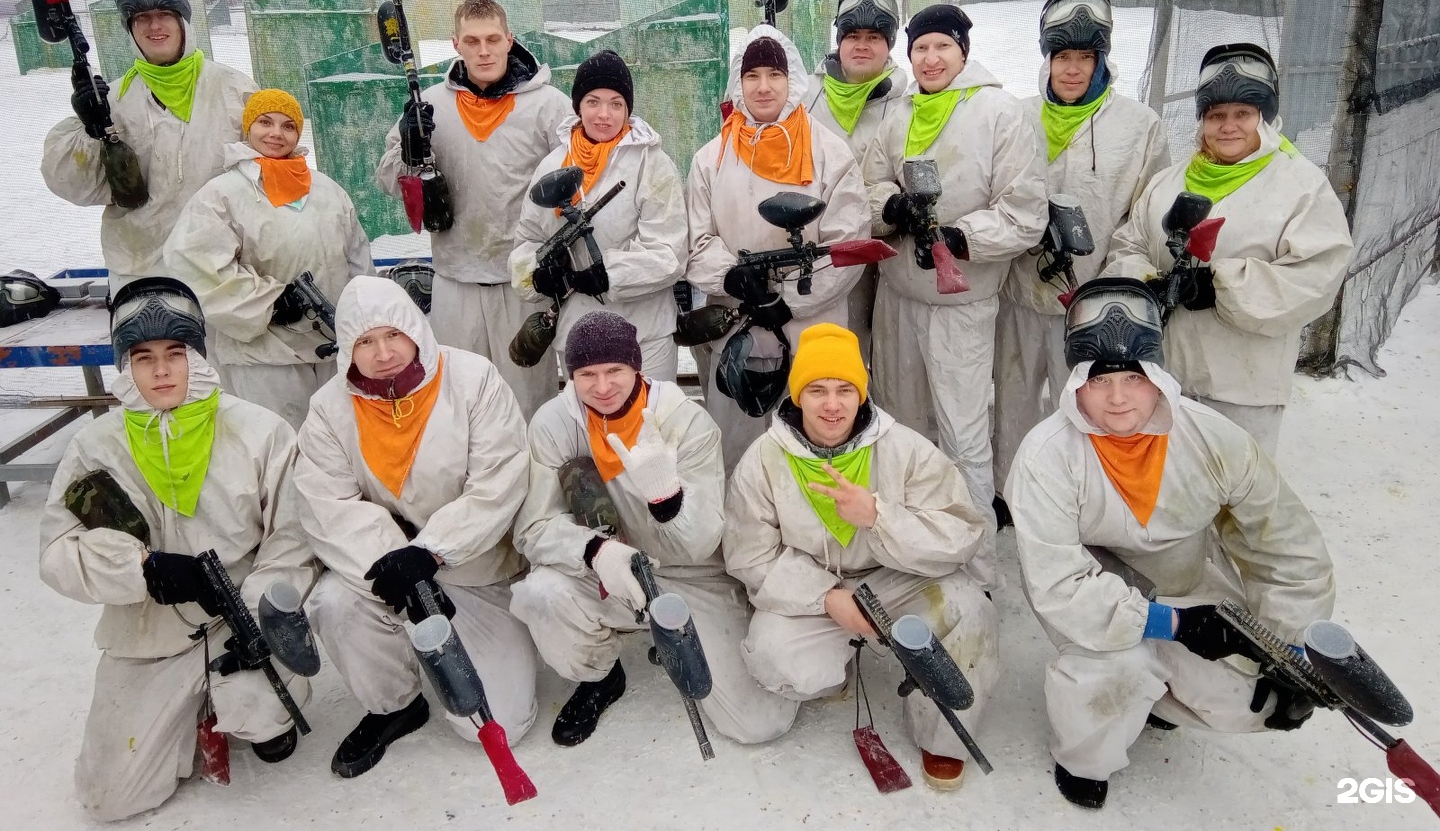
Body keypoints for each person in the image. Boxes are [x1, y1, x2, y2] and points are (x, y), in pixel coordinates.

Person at [1006, 277, 1335, 809]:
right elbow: (1060, 584)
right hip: (1091, 592)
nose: (1116, 398)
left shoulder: (1213, 437)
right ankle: (1085, 756)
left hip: (1184, 581)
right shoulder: (1045, 457)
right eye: (1099, 379)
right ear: (1076, 383)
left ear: (1157, 377)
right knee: (1116, 668)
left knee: (1252, 700)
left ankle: (1159, 695)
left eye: (1133, 378)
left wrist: (1291, 648)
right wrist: (1174, 627)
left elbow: (1285, 545)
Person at [38, 277, 316, 822]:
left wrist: (257, 609)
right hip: (149, 631)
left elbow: (294, 538)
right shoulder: (94, 447)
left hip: (241, 617)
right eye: (142, 357)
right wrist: (140, 569)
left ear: (199, 356)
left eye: (175, 353)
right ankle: (187, 707)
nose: (161, 370)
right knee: (108, 799)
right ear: (125, 367)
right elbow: (56, 553)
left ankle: (249, 706)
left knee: (265, 710)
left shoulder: (259, 431)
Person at [724, 323, 999, 791]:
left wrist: (879, 516)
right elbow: (749, 556)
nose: (832, 405)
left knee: (969, 610)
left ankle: (941, 737)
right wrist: (828, 598)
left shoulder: (905, 448)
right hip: (815, 591)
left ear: (860, 392)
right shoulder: (763, 460)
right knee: (771, 656)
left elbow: (962, 531)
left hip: (897, 579)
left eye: (844, 389)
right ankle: (834, 671)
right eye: (817, 390)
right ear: (796, 396)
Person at [510, 311, 797, 746]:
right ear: (570, 375)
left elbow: (702, 543)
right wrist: (595, 552)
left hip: (690, 573)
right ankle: (600, 676)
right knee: (540, 593)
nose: (602, 387)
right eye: (587, 374)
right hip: (608, 569)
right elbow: (534, 526)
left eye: (614, 371)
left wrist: (668, 500)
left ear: (637, 367)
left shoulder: (686, 421)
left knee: (759, 723)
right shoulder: (554, 423)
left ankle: (709, 634)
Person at [292, 275, 537, 779]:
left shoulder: (473, 379)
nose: (382, 353)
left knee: (497, 723)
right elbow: (327, 506)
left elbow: (498, 481)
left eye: (392, 335)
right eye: (364, 342)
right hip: (387, 572)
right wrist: (397, 564)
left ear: (416, 331)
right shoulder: (328, 409)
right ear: (346, 350)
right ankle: (395, 703)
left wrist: (432, 551)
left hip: (475, 569)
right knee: (335, 603)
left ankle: (465, 643)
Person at [861, 4, 1047, 591]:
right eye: (920, 49)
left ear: (963, 51)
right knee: (900, 425)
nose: (931, 59)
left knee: (964, 435)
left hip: (962, 306)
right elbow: (868, 183)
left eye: (943, 46)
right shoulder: (899, 114)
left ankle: (973, 568)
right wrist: (892, 208)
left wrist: (959, 238)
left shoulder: (999, 114)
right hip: (896, 299)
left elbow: (1024, 214)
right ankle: (906, 548)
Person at [1104, 44, 1352, 455]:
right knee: (1172, 485)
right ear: (1201, 121)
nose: (1228, 126)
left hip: (1244, 383)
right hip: (1164, 373)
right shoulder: (1168, 182)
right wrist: (1144, 282)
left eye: (1243, 114)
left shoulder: (1299, 186)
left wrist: (1222, 287)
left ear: (1264, 118)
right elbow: (1128, 244)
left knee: (1239, 493)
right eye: (1216, 115)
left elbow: (1317, 274)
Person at [993, 0, 1169, 518]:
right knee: (1015, 401)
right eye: (1062, 57)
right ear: (1047, 60)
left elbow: (1142, 217)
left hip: (1093, 304)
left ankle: (1085, 498)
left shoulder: (1138, 128)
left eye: (1084, 58)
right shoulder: (1016, 118)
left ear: (1102, 60)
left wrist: (1111, 282)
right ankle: (1012, 491)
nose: (1072, 70)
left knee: (1090, 405)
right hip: (1020, 293)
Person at [376, 0, 571, 420]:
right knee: (458, 399)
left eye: (492, 39)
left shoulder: (549, 105)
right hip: (455, 279)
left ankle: (531, 483)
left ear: (509, 40)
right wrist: (409, 149)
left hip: (522, 282)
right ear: (455, 44)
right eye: (472, 41)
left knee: (527, 402)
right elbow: (390, 180)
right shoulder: (430, 105)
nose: (483, 50)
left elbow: (580, 182)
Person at [685, 25, 868, 469]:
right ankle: (745, 537)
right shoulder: (711, 158)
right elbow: (696, 239)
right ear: (738, 83)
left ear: (793, 81)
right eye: (752, 76)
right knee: (739, 445)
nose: (763, 87)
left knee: (815, 438)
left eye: (774, 74)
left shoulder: (828, 152)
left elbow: (848, 245)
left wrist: (783, 303)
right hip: (738, 322)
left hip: (813, 325)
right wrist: (732, 277)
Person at [41, 0, 256, 287]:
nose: (154, 26)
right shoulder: (111, 101)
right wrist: (89, 130)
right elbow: (76, 187)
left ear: (183, 21)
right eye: (141, 18)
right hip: (139, 272)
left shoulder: (235, 91)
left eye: (164, 14)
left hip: (223, 272)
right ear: (130, 28)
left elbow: (269, 180)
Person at [164, 88, 373, 429]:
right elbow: (194, 263)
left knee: (335, 447)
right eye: (265, 122)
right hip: (263, 358)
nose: (276, 133)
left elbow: (357, 258)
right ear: (248, 128)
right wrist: (270, 302)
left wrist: (361, 321)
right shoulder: (222, 194)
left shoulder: (326, 190)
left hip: (331, 351)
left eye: (288, 126)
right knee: (277, 451)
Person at [510, 50, 687, 382]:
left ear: (627, 109)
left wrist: (610, 274)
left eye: (616, 103)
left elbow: (670, 253)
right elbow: (527, 241)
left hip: (645, 333)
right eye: (593, 101)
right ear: (578, 106)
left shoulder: (653, 164)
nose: (604, 114)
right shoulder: (552, 166)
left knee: (652, 424)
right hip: (577, 333)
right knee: (589, 428)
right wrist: (535, 275)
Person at [803, 0, 909, 358]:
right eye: (852, 35)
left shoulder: (907, 104)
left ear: (890, 44)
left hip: (884, 261)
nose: (861, 45)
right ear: (839, 40)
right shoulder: (808, 97)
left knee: (878, 360)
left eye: (874, 37)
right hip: (820, 255)